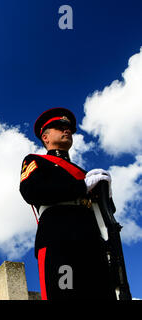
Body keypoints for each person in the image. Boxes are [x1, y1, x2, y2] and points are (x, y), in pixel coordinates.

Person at [19, 107, 116, 300]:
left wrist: (107, 195)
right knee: (66, 294)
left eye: (69, 128)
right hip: (60, 240)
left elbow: (105, 212)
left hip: (92, 242)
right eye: (59, 127)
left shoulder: (83, 173)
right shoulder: (36, 161)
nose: (67, 130)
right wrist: (81, 187)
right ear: (45, 137)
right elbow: (31, 191)